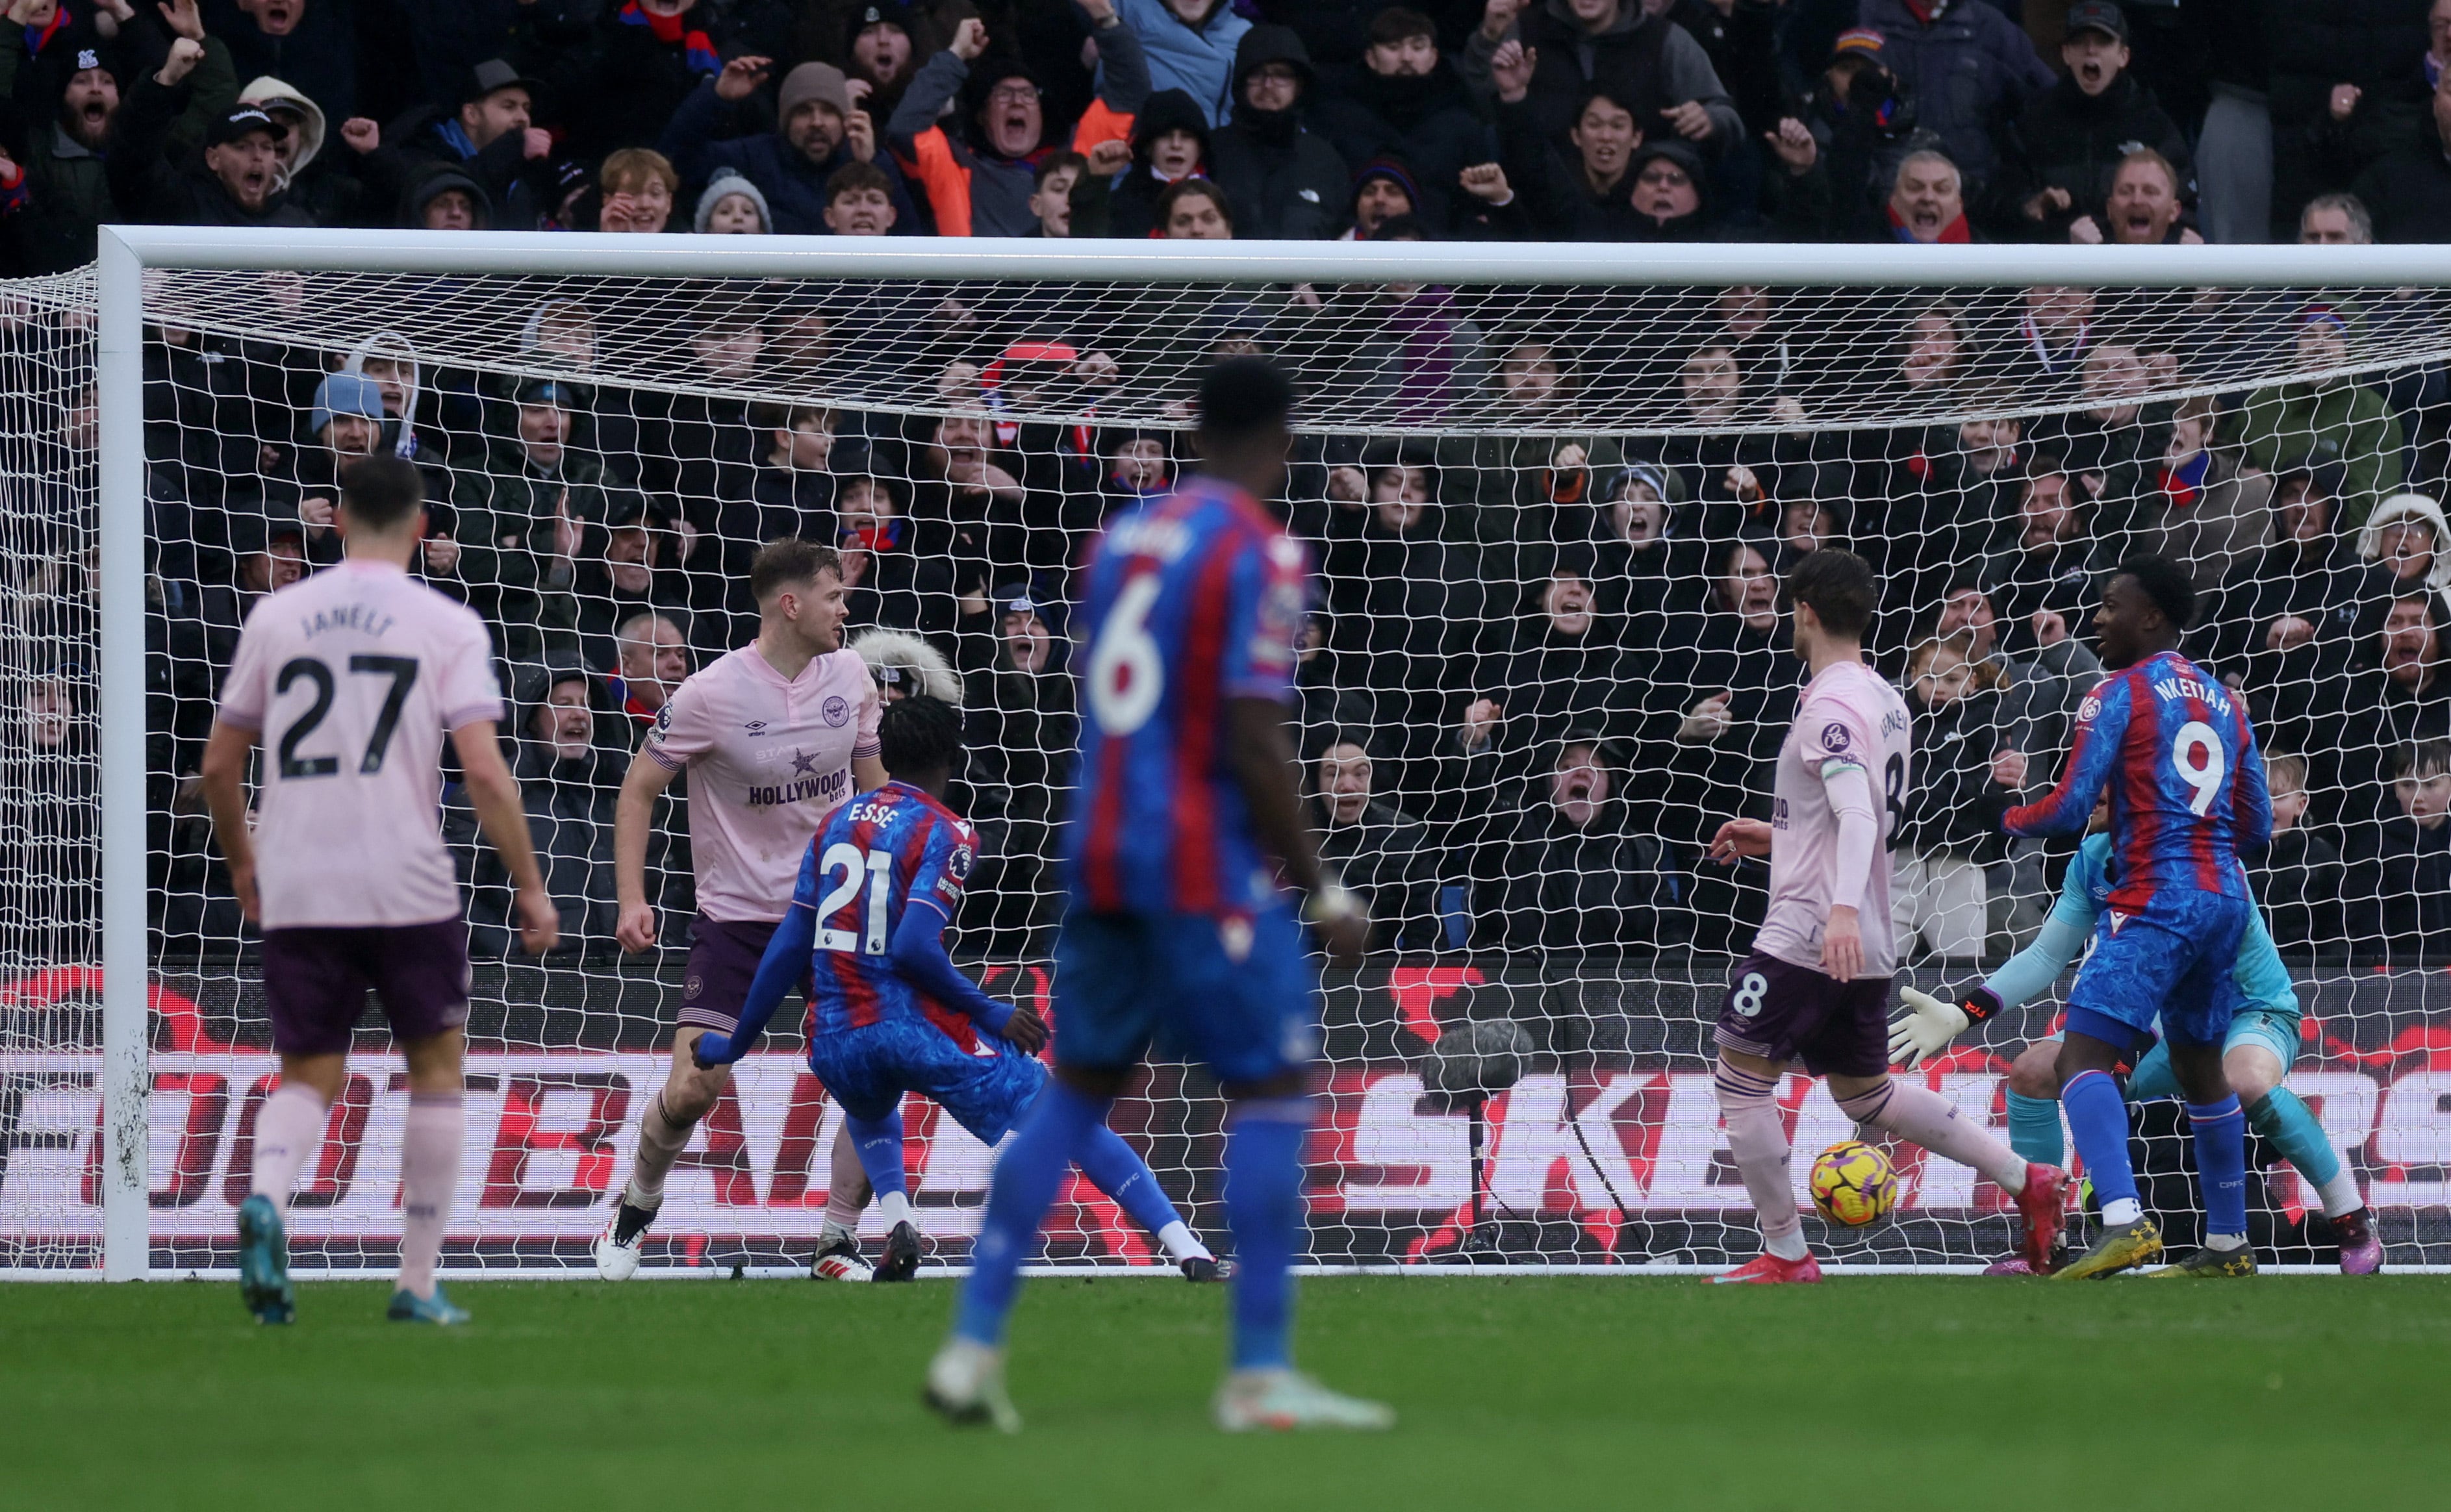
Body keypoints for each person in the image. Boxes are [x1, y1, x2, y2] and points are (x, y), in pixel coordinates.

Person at [926, 357, 1388, 1434]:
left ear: (1189, 434)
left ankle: (971, 1343)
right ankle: (1261, 1372)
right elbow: (1252, 736)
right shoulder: (1262, 552)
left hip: (1094, 850)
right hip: (1195, 862)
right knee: (1272, 1087)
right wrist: (1318, 886)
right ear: (1279, 441)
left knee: (1078, 1089)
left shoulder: (1120, 541)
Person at [196, 455, 557, 1326]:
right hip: (404, 878)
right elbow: (484, 772)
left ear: (339, 519)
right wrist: (531, 888)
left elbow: (217, 764)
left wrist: (245, 864)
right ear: (424, 526)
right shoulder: (446, 622)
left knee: (309, 1069)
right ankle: (417, 1281)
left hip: (299, 874)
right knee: (436, 1069)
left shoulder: (277, 616)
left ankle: (269, 1200)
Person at [692, 695, 1223, 1282]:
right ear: (952, 758)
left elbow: (790, 942)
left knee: (869, 1109)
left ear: (882, 755)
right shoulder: (948, 831)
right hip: (914, 1027)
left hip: (836, 1035)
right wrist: (988, 1010)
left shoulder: (835, 821)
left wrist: (736, 1042)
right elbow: (914, 947)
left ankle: (898, 1218)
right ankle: (1188, 1249)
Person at [1700, 548, 2066, 1285]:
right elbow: (1856, 817)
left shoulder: (1830, 701)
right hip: (1868, 930)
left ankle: (1785, 1253)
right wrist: (1778, 836)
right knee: (1864, 1091)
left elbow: (1859, 814)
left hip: (1813, 927)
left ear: (1802, 611)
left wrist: (1832, 910)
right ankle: (2029, 1179)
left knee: (1739, 1079)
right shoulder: (1885, 697)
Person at [1889, 803, 2383, 1277]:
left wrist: (2125, 1046)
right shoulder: (2095, 857)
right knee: (2032, 1072)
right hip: (2148, 1014)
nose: (2090, 797)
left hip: (2246, 1011)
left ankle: (2350, 1219)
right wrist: (1963, 1012)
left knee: (2244, 1081)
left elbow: (2189, 974)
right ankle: (2047, 1242)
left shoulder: (2202, 861)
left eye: (2104, 788)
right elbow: (2046, 955)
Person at [594, 538, 889, 1283]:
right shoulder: (709, 695)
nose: (844, 609)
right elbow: (636, 791)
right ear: (790, 605)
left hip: (833, 909)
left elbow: (876, 794)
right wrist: (633, 899)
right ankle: (636, 1204)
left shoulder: (851, 677)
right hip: (739, 917)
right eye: (832, 595)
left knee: (868, 1072)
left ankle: (837, 1240)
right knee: (695, 1086)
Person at [2000, 556, 2274, 1279]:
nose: (2096, 617)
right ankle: (2225, 1246)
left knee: (2081, 1056)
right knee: (2198, 1067)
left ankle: (2122, 1221)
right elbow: (2258, 828)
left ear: (2149, 616)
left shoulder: (2115, 692)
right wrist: (2196, 832)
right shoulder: (2222, 700)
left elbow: (2064, 807)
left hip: (2155, 897)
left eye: (2108, 605)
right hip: (2223, 899)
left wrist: (2001, 814)